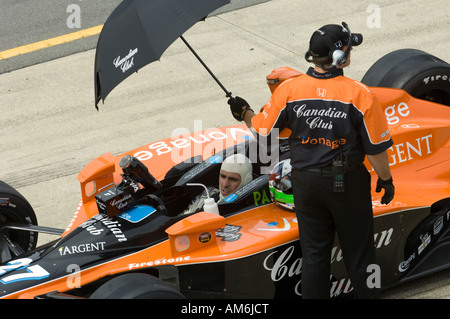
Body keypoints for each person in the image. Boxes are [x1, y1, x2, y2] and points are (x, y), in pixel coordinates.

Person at [228, 22, 395, 298]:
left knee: (315, 256)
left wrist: (244, 111)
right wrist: (386, 181)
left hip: (304, 182)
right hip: (345, 181)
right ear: (340, 57)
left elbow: (261, 130)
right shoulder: (360, 94)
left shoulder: (289, 91)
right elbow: (376, 149)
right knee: (361, 257)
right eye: (349, 47)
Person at [185, 154, 253, 214]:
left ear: (247, 181)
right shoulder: (209, 193)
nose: (225, 184)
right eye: (223, 176)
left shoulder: (251, 210)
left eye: (232, 179)